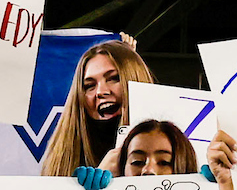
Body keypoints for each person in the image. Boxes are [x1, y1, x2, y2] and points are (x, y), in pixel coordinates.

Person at [39, 39, 154, 177]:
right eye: (89, 86)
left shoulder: (171, 142)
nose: (101, 91)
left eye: (113, 78)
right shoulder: (63, 158)